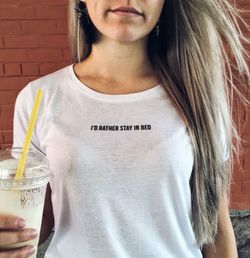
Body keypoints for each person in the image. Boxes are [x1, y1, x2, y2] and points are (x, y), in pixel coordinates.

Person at [0, 0, 249, 257]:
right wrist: (10, 233)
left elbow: (215, 228)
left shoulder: (198, 101)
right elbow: (38, 218)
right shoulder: (39, 97)